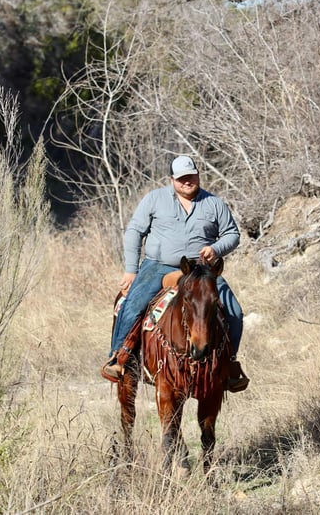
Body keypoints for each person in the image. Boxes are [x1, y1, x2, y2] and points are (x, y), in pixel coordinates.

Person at [101, 155, 248, 392]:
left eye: (191, 176)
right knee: (134, 304)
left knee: (234, 312)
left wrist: (215, 249)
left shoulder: (214, 203)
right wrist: (131, 270)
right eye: (181, 178)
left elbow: (232, 234)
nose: (187, 181)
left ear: (198, 175)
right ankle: (119, 357)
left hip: (200, 270)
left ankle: (229, 366)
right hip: (158, 265)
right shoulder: (155, 199)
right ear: (172, 180)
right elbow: (134, 231)